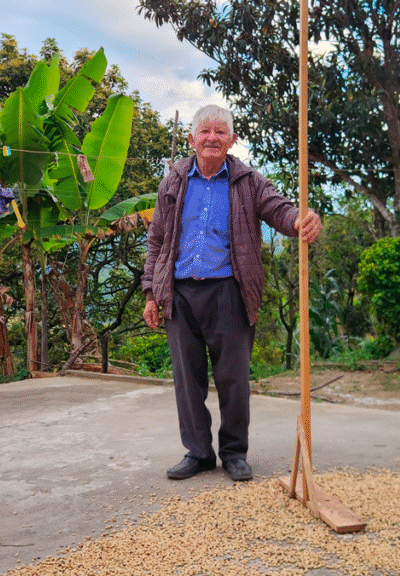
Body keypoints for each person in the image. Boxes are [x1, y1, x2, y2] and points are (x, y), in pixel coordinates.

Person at [142, 104, 323, 482]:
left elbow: (277, 208)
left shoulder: (247, 181)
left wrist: (298, 220)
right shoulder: (173, 182)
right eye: (204, 132)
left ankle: (234, 453)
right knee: (186, 380)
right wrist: (150, 293)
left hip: (229, 291)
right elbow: (156, 239)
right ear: (192, 139)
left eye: (220, 132)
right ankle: (198, 452)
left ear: (232, 140)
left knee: (234, 379)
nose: (212, 138)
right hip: (179, 292)